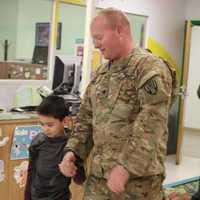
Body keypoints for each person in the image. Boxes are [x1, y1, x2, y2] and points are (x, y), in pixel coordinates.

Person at [59, 8, 177, 200]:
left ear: (119, 30)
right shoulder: (101, 74)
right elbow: (86, 118)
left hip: (137, 183)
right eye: (93, 39)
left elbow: (152, 123)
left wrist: (126, 167)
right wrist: (72, 152)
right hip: (98, 179)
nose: (96, 45)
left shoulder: (149, 68)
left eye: (99, 37)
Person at [24, 95, 85, 200]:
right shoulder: (38, 142)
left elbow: (80, 179)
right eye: (42, 124)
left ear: (65, 121)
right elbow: (31, 172)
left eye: (50, 125)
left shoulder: (72, 143)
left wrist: (74, 169)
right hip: (36, 197)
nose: (45, 129)